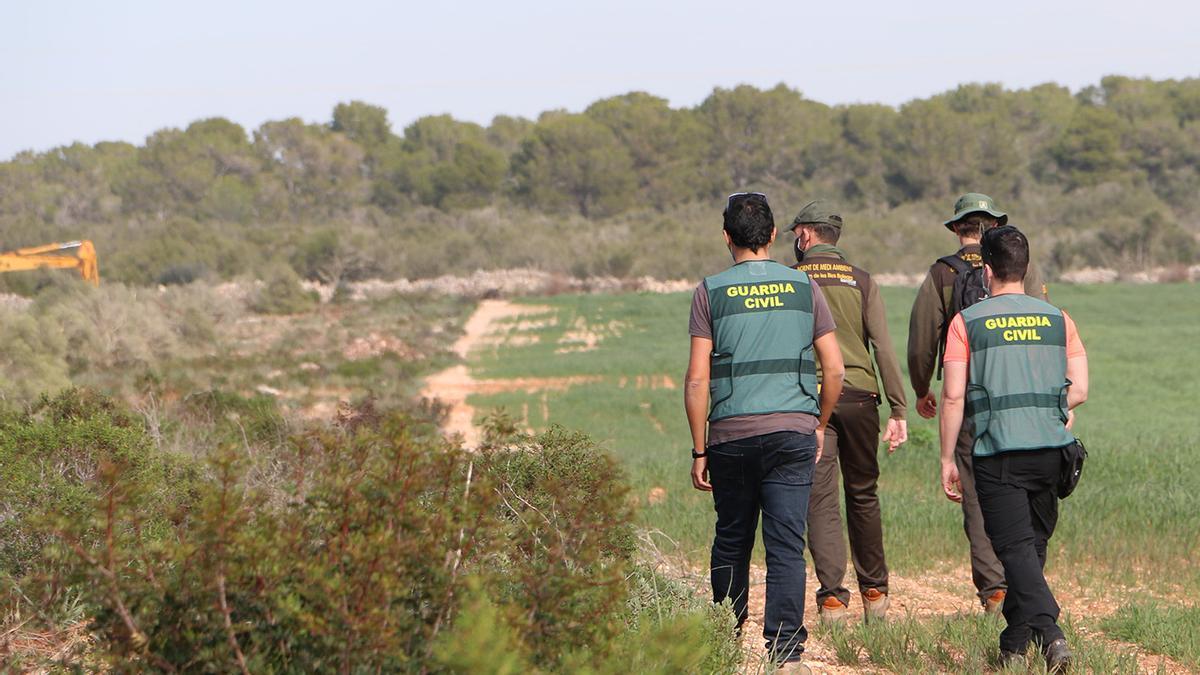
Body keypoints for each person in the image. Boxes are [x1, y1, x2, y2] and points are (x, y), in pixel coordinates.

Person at [685, 192, 844, 671]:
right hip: (793, 431)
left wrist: (699, 450)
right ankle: (786, 655)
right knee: (785, 546)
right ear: (774, 235)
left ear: (727, 238)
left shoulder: (709, 291)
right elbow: (834, 370)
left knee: (732, 539)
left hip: (731, 436)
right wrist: (817, 424)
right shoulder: (803, 287)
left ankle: (725, 643)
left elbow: (696, 380)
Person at [938, 225, 1087, 672]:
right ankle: (1013, 644)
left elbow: (952, 397)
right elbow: (1079, 389)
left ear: (986, 271)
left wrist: (947, 458)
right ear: (1024, 269)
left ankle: (1053, 635)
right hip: (1052, 451)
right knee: (1031, 550)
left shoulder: (967, 322)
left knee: (1016, 550)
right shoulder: (1059, 318)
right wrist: (1049, 405)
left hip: (999, 452)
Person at [907, 192, 1046, 614]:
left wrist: (921, 389)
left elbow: (920, 342)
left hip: (968, 396)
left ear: (956, 229)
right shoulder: (1023, 269)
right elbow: (1041, 325)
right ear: (995, 226)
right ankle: (1027, 578)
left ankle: (994, 589)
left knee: (975, 492)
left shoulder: (942, 273)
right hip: (1019, 394)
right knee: (1025, 485)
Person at [789, 201, 907, 624]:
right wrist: (898, 406)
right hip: (860, 396)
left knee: (819, 498)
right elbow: (884, 346)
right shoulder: (862, 280)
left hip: (811, 399)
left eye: (795, 235)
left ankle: (834, 599)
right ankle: (875, 592)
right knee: (863, 494)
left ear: (806, 235)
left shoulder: (792, 281)